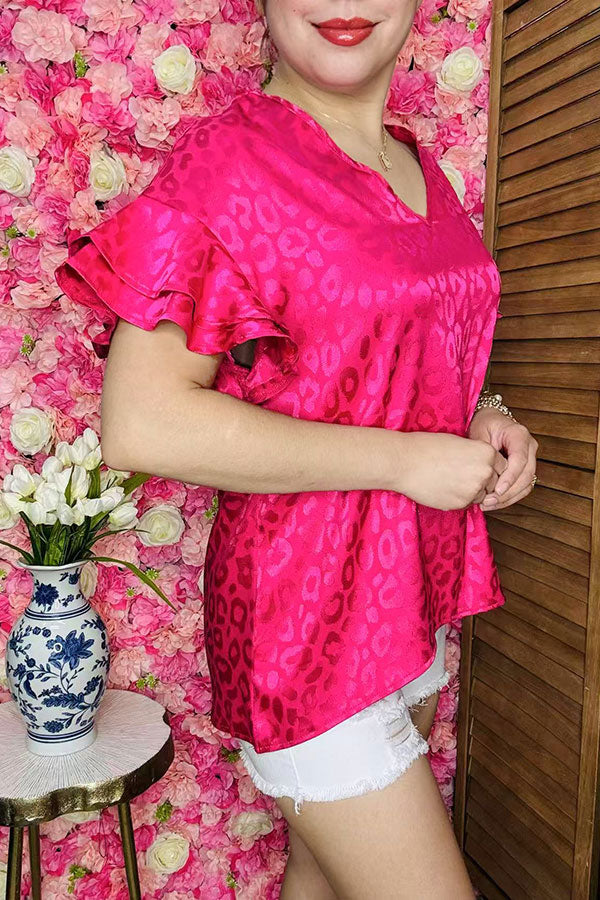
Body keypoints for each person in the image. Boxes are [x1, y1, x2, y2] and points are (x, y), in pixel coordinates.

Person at [55, 0, 539, 896]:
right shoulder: (231, 164)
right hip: (304, 621)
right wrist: (404, 462)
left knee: (321, 875)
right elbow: (144, 420)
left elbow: (396, 354)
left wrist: (485, 412)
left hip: (410, 598)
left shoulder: (416, 163)